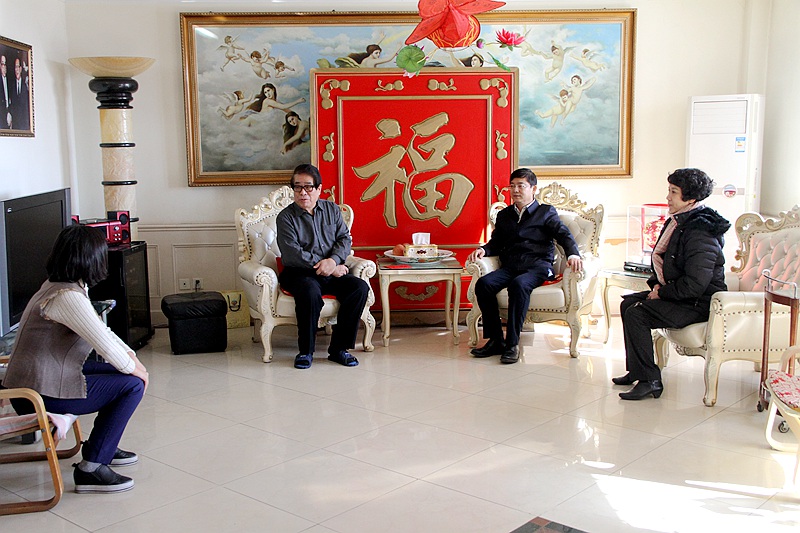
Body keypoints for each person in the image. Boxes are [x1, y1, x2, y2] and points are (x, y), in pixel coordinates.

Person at [1, 225, 149, 493]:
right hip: (36, 394)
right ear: (91, 259)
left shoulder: (60, 286)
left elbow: (102, 331)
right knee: (132, 385)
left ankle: (101, 445)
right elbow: (104, 345)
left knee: (123, 374)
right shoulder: (67, 297)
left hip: (40, 380)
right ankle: (92, 467)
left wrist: (133, 359)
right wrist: (138, 371)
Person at [614, 168, 730, 400]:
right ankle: (638, 370)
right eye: (669, 190)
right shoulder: (679, 222)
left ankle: (650, 381)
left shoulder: (701, 231)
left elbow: (695, 284)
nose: (668, 197)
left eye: (673, 192)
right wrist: (657, 287)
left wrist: (662, 293)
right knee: (627, 305)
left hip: (698, 304)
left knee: (637, 313)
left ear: (691, 198)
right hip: (682, 297)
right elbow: (667, 264)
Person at [467, 168, 583, 364]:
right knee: (484, 284)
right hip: (511, 266)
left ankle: (512, 344)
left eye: (521, 186)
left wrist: (573, 253)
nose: (515, 190)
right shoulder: (504, 215)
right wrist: (483, 250)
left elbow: (563, 234)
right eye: (512, 186)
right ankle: (496, 340)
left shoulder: (545, 212)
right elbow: (496, 242)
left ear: (533, 189)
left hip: (537, 267)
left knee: (519, 285)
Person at [276, 164, 370, 369]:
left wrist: (333, 261)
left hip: (330, 271)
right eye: (297, 187)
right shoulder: (285, 217)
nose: (303, 192)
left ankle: (339, 349)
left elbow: (344, 239)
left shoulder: (332, 210)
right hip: (299, 272)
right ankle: (305, 352)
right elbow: (293, 253)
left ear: (319, 189)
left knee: (359, 288)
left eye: (308, 187)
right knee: (309, 291)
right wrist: (330, 267)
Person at [10, 57, 30, 130]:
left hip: (24, 124)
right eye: (15, 67)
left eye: (18, 67)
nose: (16, 69)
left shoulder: (25, 85)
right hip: (15, 125)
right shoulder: (12, 86)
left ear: (21, 69)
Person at [0, 54, 11, 129]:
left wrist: (10, 113)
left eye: (5, 64)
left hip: (10, 115)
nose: (4, 67)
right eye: (2, 64)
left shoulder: (10, 81)